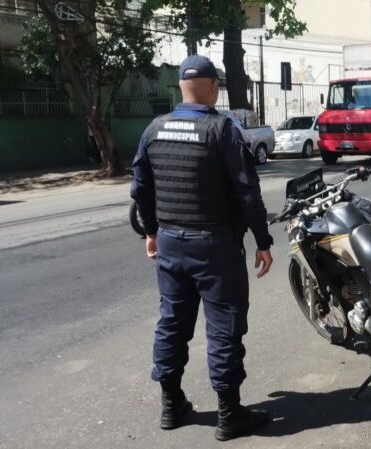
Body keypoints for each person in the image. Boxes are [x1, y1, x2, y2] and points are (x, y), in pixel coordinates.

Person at [130, 54, 274, 441]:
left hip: (171, 244)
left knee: (172, 324)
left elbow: (140, 188)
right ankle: (230, 415)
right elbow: (247, 192)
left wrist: (151, 232)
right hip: (215, 247)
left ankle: (171, 405)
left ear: (181, 87)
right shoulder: (221, 129)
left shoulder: (154, 129)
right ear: (213, 87)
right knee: (224, 328)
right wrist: (263, 241)